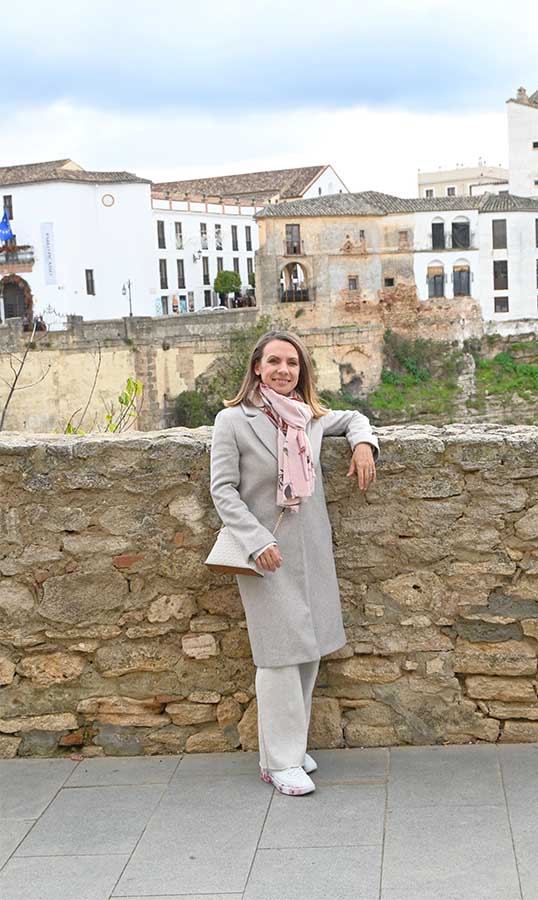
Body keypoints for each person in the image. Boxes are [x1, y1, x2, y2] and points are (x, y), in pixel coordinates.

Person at [209, 330, 379, 796]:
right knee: (278, 654)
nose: (284, 370)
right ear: (257, 368)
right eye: (275, 362)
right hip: (265, 550)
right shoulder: (233, 421)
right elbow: (222, 489)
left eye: (293, 363)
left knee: (307, 649)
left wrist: (364, 445)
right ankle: (279, 762)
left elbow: (357, 418)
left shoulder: (311, 417)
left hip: (311, 546)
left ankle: (290, 746)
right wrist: (254, 538)